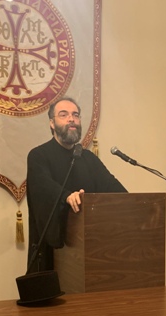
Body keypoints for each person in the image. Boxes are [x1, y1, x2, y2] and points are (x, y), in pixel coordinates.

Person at [26, 97, 127, 272]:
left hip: (92, 254)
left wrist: (134, 204)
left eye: (75, 115)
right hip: (54, 255)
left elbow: (114, 189)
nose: (71, 119)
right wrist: (66, 196)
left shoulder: (88, 158)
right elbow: (43, 187)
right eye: (63, 115)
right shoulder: (39, 156)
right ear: (52, 123)